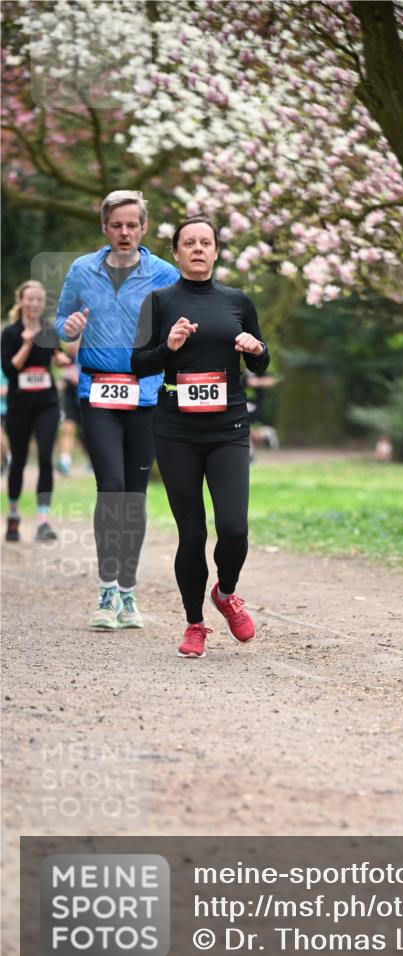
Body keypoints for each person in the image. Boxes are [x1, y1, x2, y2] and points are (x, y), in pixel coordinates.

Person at [131, 216, 270, 658]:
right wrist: (167, 348)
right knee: (191, 533)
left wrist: (257, 349)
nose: (197, 249)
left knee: (234, 528)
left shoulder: (238, 300)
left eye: (204, 242)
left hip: (228, 427)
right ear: (175, 253)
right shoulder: (158, 301)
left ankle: (225, 593)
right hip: (176, 430)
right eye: (188, 242)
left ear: (215, 251)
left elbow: (263, 363)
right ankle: (194, 623)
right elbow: (138, 364)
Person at [55, 190, 179, 629]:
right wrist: (66, 328)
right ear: (104, 228)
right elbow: (59, 321)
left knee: (135, 496)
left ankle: (128, 592)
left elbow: (178, 330)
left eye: (132, 225)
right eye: (116, 225)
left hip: (145, 396)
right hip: (98, 394)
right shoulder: (81, 269)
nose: (124, 232)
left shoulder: (165, 274)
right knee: (110, 489)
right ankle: (106, 590)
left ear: (144, 228)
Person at [1, 280, 71, 542]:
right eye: (29, 299)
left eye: (39, 300)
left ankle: (42, 520)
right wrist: (27, 344)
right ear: (21, 301)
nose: (34, 304)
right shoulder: (10, 333)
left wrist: (60, 359)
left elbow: (57, 355)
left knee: (44, 457)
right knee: (18, 461)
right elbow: (9, 370)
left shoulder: (48, 329)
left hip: (47, 404)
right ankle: (14, 516)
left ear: (43, 303)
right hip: (19, 406)